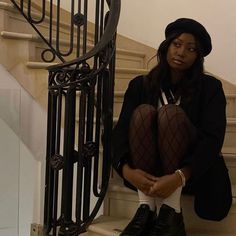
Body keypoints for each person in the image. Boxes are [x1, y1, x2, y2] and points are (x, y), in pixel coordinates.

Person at [111, 18, 232, 236]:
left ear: (197, 57)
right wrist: (127, 171)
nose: (181, 52)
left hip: (193, 173)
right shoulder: (140, 85)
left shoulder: (210, 88)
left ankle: (171, 211)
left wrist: (179, 177)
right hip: (146, 169)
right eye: (177, 44)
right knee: (143, 113)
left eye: (191, 48)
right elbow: (120, 133)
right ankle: (146, 208)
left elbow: (212, 140)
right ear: (166, 46)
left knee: (170, 114)